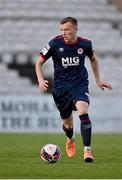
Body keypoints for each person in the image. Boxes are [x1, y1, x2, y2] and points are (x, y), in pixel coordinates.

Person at [35, 17, 112, 163]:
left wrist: (98, 80)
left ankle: (87, 151)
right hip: (61, 89)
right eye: (62, 30)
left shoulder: (85, 44)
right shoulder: (54, 43)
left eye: (67, 30)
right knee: (68, 124)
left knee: (83, 112)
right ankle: (70, 138)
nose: (64, 33)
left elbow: (93, 59)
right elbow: (38, 63)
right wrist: (40, 80)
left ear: (75, 29)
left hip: (79, 85)